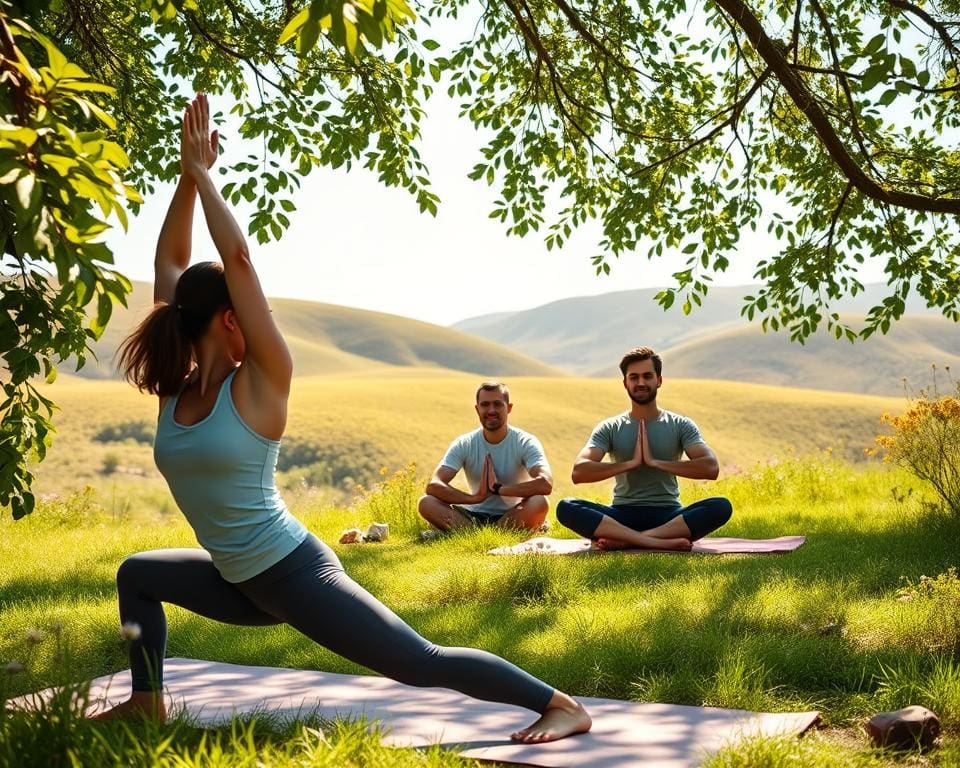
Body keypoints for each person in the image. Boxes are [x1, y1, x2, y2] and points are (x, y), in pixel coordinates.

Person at [101, 94, 591, 743]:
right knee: (138, 574)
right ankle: (148, 702)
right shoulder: (176, 385)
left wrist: (203, 175)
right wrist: (189, 179)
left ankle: (560, 703)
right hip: (236, 579)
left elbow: (235, 263)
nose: (257, 317)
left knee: (419, 663)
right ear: (228, 321)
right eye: (245, 310)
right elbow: (170, 266)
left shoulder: (262, 383)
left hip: (293, 573)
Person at [556, 347, 732, 550]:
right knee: (566, 507)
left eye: (647, 376)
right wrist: (630, 464)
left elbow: (710, 468)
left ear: (659, 380)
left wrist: (656, 463)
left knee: (720, 506)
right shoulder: (611, 427)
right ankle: (653, 541)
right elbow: (579, 472)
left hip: (669, 517)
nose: (641, 383)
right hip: (621, 515)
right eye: (634, 377)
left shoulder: (680, 424)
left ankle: (627, 540)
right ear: (625, 383)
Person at [419, 382, 552, 532]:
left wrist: (499, 489)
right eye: (485, 405)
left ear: (509, 408)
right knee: (426, 503)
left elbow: (545, 483)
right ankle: (485, 534)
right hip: (473, 514)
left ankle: (479, 534)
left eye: (497, 404)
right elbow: (434, 486)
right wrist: (474, 498)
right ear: (477, 409)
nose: (491, 410)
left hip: (515, 513)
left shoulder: (525, 441)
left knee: (540, 502)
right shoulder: (465, 443)